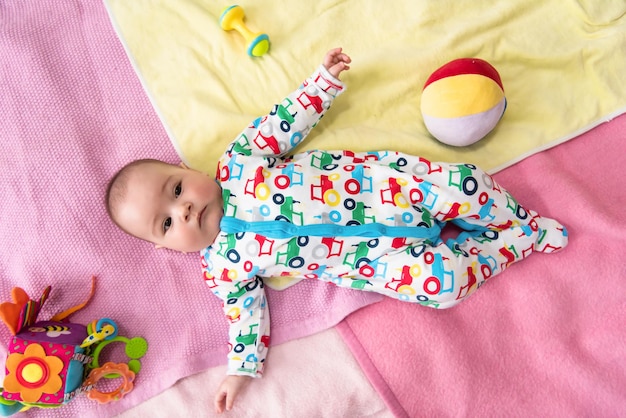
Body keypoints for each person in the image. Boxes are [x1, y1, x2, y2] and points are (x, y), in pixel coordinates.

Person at [106, 47, 568, 413]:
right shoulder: (223, 270)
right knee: (442, 286)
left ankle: (515, 218)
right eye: (166, 223)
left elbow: (283, 122)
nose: (184, 210)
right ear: (166, 247)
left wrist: (321, 84)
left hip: (392, 189)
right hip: (381, 262)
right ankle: (516, 242)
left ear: (188, 169)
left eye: (177, 188)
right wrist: (241, 369)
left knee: (467, 183)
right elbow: (245, 317)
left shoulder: (240, 161)